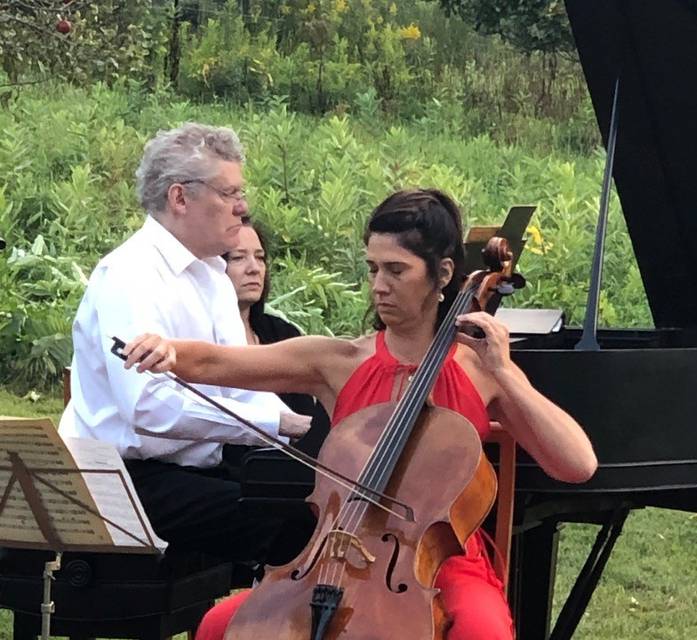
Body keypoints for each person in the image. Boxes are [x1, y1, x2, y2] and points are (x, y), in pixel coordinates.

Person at [122, 188, 598, 640]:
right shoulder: (338, 362)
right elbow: (215, 362)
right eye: (372, 269)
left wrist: (505, 371)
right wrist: (167, 349)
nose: (379, 286)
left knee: (482, 632)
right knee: (221, 625)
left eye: (396, 270)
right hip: (333, 554)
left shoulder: (479, 369)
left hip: (441, 561)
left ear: (445, 273)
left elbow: (577, 464)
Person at [58, 122, 313, 564]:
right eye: (229, 194)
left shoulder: (213, 274)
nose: (242, 207)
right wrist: (278, 427)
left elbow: (238, 384)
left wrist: (306, 424)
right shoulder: (130, 275)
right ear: (180, 198)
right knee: (294, 521)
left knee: (315, 496)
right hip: (121, 482)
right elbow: (148, 408)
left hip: (192, 468)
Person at [222, 221, 330, 458]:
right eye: (238, 258)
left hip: (284, 466)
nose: (254, 268)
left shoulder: (283, 334)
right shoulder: (203, 335)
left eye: (260, 258)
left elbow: (306, 422)